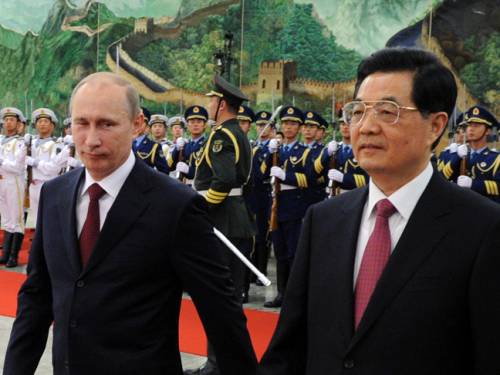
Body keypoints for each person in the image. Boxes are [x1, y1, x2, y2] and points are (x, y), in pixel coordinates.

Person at [258, 47, 500, 375]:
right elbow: (289, 349)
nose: (366, 127)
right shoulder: (324, 220)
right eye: (358, 111)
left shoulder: (482, 229)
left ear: (436, 126)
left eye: (388, 112)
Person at [3, 72, 257, 375]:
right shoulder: (55, 195)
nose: (92, 139)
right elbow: (37, 297)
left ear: (137, 125)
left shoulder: (174, 205)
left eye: (107, 124)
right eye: (82, 123)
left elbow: (221, 313)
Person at [186, 75, 254, 375]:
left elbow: (224, 180)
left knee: (219, 298)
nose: (209, 104)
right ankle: (227, 363)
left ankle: (218, 365)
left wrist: (202, 208)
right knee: (228, 299)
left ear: (222, 104)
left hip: (222, 221)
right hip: (233, 218)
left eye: (212, 100)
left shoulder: (222, 136)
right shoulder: (237, 132)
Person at [260, 106, 315, 308]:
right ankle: (281, 293)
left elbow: (309, 178)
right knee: (280, 253)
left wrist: (286, 176)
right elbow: (263, 172)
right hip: (276, 206)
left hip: (294, 207)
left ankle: (294, 296)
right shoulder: (277, 150)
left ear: (299, 128)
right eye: (285, 123)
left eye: (293, 124)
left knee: (293, 253)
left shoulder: (305, 152)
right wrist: (269, 153)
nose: (288, 127)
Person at [26, 108, 69, 228]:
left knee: (50, 221)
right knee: (36, 221)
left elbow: (53, 169)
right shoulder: (30, 143)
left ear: (52, 126)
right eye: (39, 122)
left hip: (49, 185)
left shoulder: (57, 144)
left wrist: (34, 162)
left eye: (45, 121)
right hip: (33, 185)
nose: (42, 124)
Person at [453, 105, 500, 203]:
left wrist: (473, 184)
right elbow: (443, 177)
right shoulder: (460, 155)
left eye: (476, 126)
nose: (470, 129)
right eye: (469, 125)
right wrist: (455, 157)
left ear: (487, 131)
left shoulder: (496, 159)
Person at [0, 107, 27, 267]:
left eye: (12, 119)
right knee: (6, 219)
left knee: (16, 219)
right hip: (1, 181)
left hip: (13, 181)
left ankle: (13, 256)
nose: (8, 122)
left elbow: (17, 166)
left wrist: (2, 161)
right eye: (6, 119)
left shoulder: (21, 143)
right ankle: (5, 254)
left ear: (18, 124)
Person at [169, 106, 208, 187]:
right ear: (187, 125)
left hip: (201, 187)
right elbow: (170, 166)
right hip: (185, 187)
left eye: (199, 121)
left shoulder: (207, 144)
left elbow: (208, 171)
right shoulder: (185, 144)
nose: (195, 124)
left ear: (204, 125)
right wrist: (177, 148)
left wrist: (189, 170)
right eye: (192, 122)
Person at [132, 107, 169, 173]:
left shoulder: (154, 146)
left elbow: (164, 171)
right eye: (136, 122)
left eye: (142, 122)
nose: (138, 125)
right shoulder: (125, 143)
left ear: (147, 126)